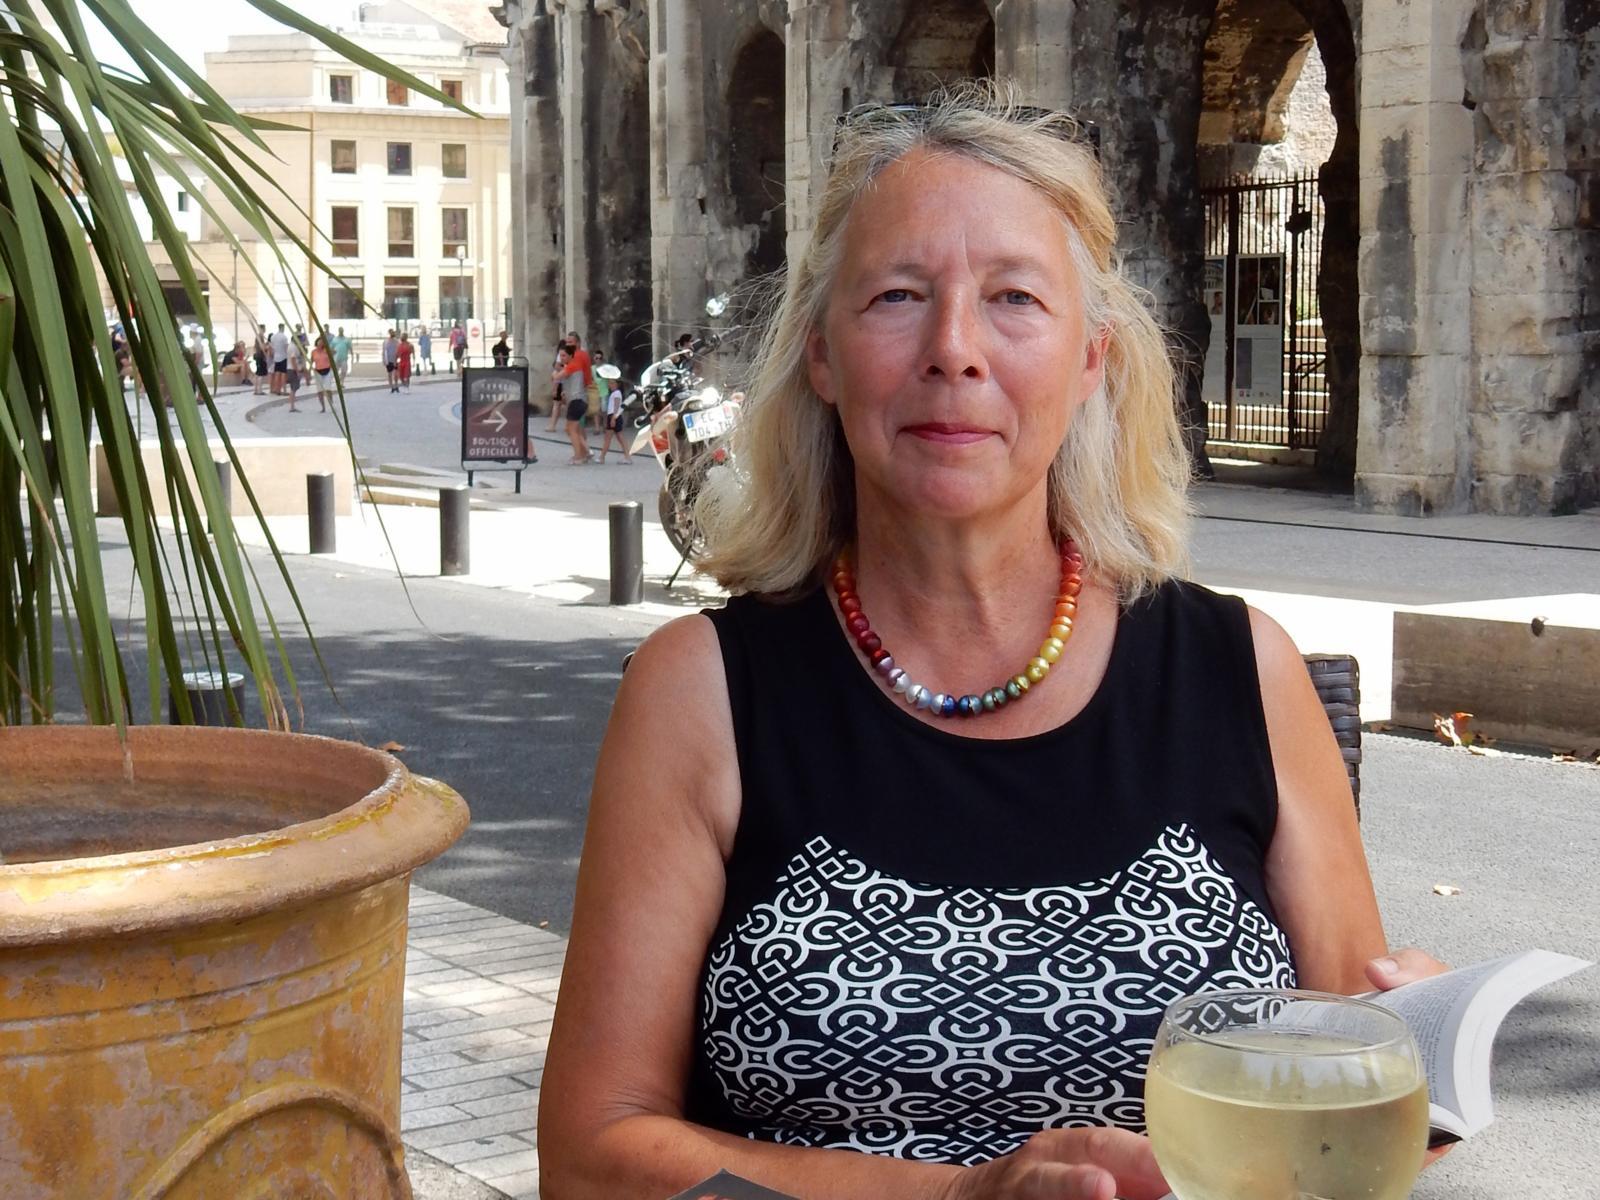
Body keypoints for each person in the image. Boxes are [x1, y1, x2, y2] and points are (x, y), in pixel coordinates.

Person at [537, 86, 1449, 1200]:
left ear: (1090, 359)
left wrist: (1413, 1067)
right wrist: (962, 1196)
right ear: (821, 355)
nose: (954, 349)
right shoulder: (702, 693)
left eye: (1014, 297)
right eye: (897, 296)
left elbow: (1344, 1076)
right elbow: (590, 1157)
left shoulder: (1241, 670)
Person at [553, 346, 590, 464]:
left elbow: (556, 377)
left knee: (571, 430)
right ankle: (584, 453)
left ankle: (578, 457)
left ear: (570, 355)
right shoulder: (571, 366)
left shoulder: (572, 365)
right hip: (579, 400)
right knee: (575, 430)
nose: (561, 358)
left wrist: (557, 369)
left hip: (576, 400)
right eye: (560, 356)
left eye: (564, 355)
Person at [596, 372, 630, 465]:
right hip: (613, 416)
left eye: (612, 383)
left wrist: (613, 418)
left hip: (614, 416)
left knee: (609, 438)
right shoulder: (615, 393)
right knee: (619, 437)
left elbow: (616, 406)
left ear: (617, 384)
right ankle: (627, 456)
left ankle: (602, 457)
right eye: (609, 383)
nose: (610, 385)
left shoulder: (617, 393)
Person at [311, 336, 335, 412]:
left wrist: (328, 348)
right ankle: (323, 407)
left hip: (327, 370)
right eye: (319, 342)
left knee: (328, 388)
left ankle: (331, 404)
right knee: (319, 390)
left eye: (322, 342)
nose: (321, 343)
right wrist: (309, 371)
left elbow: (334, 352)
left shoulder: (327, 350)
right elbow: (311, 361)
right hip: (318, 371)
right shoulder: (313, 352)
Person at [284, 333, 304, 413]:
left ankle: (292, 405)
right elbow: (293, 359)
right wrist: (297, 371)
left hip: (291, 368)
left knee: (294, 388)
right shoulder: (293, 347)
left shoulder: (292, 346)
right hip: (293, 369)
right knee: (293, 388)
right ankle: (292, 406)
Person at [269, 323, 290, 395]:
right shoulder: (284, 337)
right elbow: (286, 348)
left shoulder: (273, 337)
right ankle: (284, 390)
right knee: (283, 374)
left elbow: (272, 348)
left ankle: (277, 389)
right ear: (283, 328)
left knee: (277, 374)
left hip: (276, 357)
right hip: (283, 357)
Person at [251, 327, 270, 395]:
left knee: (258, 373)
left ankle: (256, 389)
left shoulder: (258, 337)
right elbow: (262, 347)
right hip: (260, 356)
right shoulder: (260, 337)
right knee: (260, 374)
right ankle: (259, 390)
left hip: (258, 356)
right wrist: (267, 347)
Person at [382, 329, 400, 393]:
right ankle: (392, 387)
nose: (391, 334)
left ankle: (395, 386)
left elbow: (399, 350)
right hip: (389, 359)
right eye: (391, 333)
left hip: (395, 359)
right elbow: (384, 351)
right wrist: (384, 360)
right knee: (390, 374)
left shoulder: (397, 341)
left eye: (392, 333)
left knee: (395, 374)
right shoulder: (386, 341)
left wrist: (398, 358)